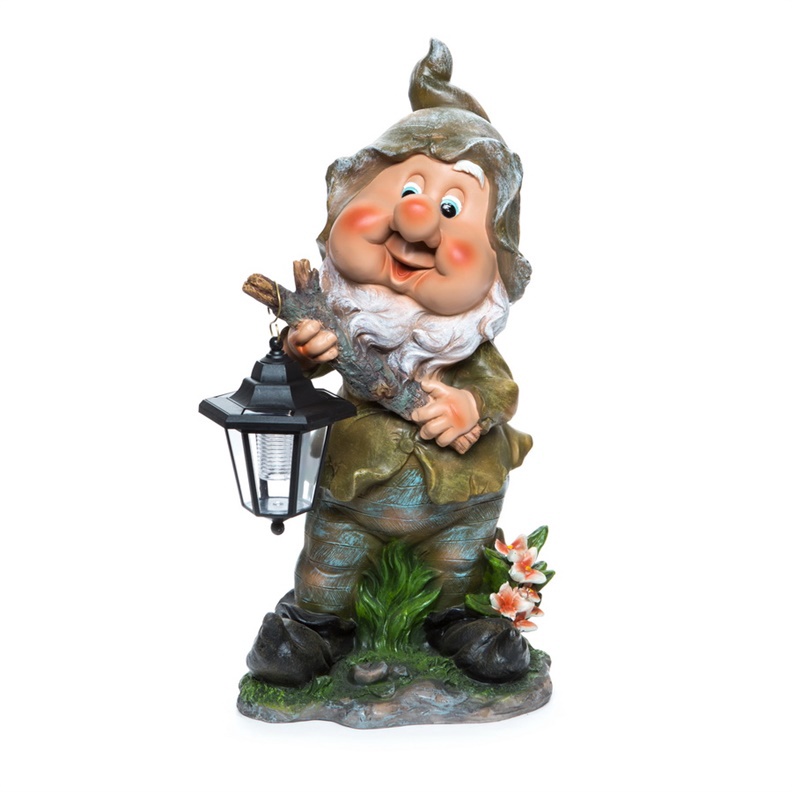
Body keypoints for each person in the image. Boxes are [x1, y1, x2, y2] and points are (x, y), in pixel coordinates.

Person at [247, 40, 534, 685]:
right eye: (406, 189)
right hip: (356, 489)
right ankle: (315, 627)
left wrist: (470, 404)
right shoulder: (338, 318)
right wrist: (300, 355)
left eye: (453, 209)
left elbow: (499, 389)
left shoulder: (466, 344)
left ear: (496, 261)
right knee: (331, 560)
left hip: (459, 496)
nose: (417, 221)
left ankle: (458, 623)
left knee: (457, 563)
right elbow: (292, 387)